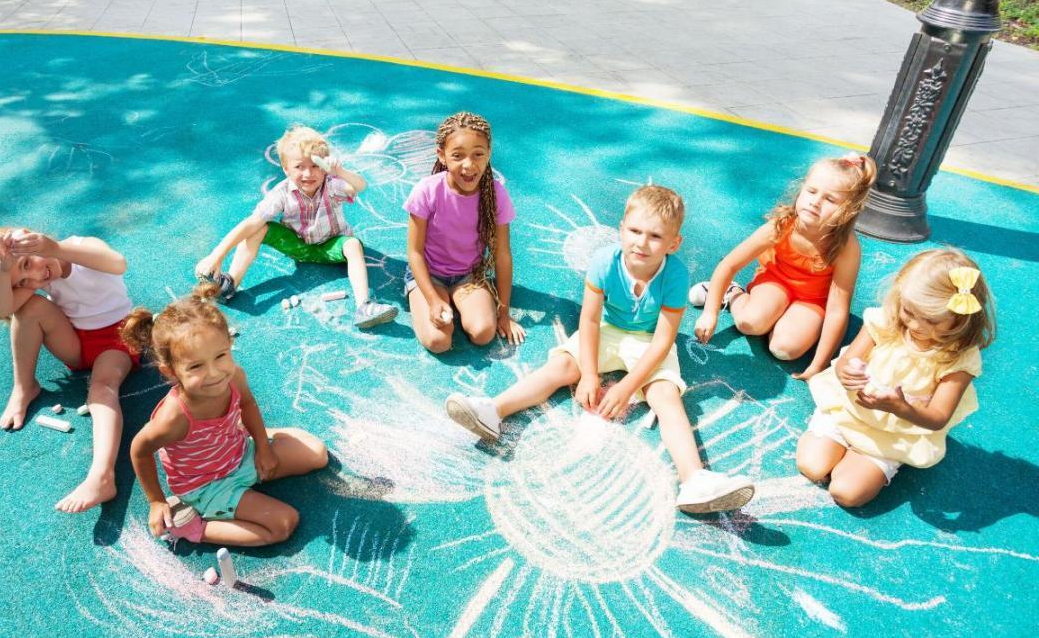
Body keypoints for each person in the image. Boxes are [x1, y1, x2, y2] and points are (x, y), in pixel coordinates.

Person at [445, 186, 755, 514]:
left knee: (666, 397)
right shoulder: (605, 261)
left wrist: (627, 386)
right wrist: (590, 375)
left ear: (673, 244)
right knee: (560, 368)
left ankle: (694, 480)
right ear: (621, 229)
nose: (641, 242)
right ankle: (493, 411)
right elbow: (590, 320)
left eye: (654, 236)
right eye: (634, 231)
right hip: (606, 330)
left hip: (649, 341)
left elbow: (664, 340)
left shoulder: (675, 274)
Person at [122, 284, 329, 546]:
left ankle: (259, 437)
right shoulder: (173, 418)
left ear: (229, 345)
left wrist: (263, 447)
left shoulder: (234, 376)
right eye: (196, 366)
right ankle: (194, 530)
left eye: (221, 356)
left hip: (240, 452)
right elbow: (139, 449)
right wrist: (156, 500)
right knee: (283, 524)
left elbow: (249, 404)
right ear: (170, 371)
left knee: (317, 453)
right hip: (207, 486)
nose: (214, 372)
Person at [0, 227, 138, 513]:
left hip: (118, 339)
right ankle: (24, 386)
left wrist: (55, 249)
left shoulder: (77, 247)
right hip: (76, 343)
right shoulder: (34, 278)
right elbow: (4, 308)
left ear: (32, 238)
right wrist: (5, 271)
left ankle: (102, 475)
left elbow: (117, 263)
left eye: (27, 265)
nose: (35, 279)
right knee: (27, 310)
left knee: (102, 389)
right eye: (22, 280)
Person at [795, 248, 994, 508]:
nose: (915, 326)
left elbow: (937, 418)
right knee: (812, 466)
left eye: (932, 321)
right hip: (849, 411)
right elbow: (845, 362)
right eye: (909, 312)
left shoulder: (958, 358)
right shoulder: (886, 319)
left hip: (895, 434)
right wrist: (848, 373)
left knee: (847, 493)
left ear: (961, 318)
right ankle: (839, 439)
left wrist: (899, 407)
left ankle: (872, 460)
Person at [195, 125, 398, 330]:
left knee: (353, 245)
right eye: (299, 167)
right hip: (298, 245)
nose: (308, 173)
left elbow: (359, 186)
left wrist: (339, 172)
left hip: (331, 246)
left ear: (324, 166)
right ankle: (230, 285)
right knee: (258, 227)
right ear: (285, 168)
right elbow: (251, 223)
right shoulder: (281, 193)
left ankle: (364, 305)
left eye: (315, 166)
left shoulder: (332, 184)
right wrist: (217, 256)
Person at [692, 155, 876, 380]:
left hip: (812, 301)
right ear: (801, 190)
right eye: (811, 191)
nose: (816, 201)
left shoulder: (846, 247)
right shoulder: (782, 225)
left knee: (785, 349)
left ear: (848, 210)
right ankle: (732, 294)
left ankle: (780, 319)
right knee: (749, 323)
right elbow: (729, 264)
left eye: (830, 199)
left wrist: (819, 365)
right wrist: (710, 314)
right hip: (775, 282)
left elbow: (838, 310)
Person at [404, 111, 525, 353]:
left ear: (489, 153)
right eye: (458, 156)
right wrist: (433, 299)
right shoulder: (426, 191)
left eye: (478, 154)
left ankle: (461, 303)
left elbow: (502, 255)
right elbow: (414, 253)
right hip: (429, 275)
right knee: (439, 342)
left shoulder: (497, 194)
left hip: (468, 277)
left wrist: (503, 312)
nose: (469, 165)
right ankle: (436, 301)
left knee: (483, 333)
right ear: (442, 155)